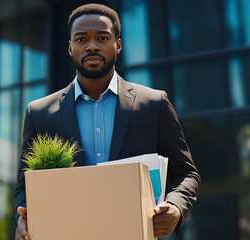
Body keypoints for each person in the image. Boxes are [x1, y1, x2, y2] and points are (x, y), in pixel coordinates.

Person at [14, 3, 201, 239]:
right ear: (70, 48)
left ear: (118, 45)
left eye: (102, 38)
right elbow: (24, 187)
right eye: (81, 40)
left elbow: (186, 173)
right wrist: (24, 220)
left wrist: (175, 207)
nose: (92, 46)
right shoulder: (39, 113)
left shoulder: (154, 104)